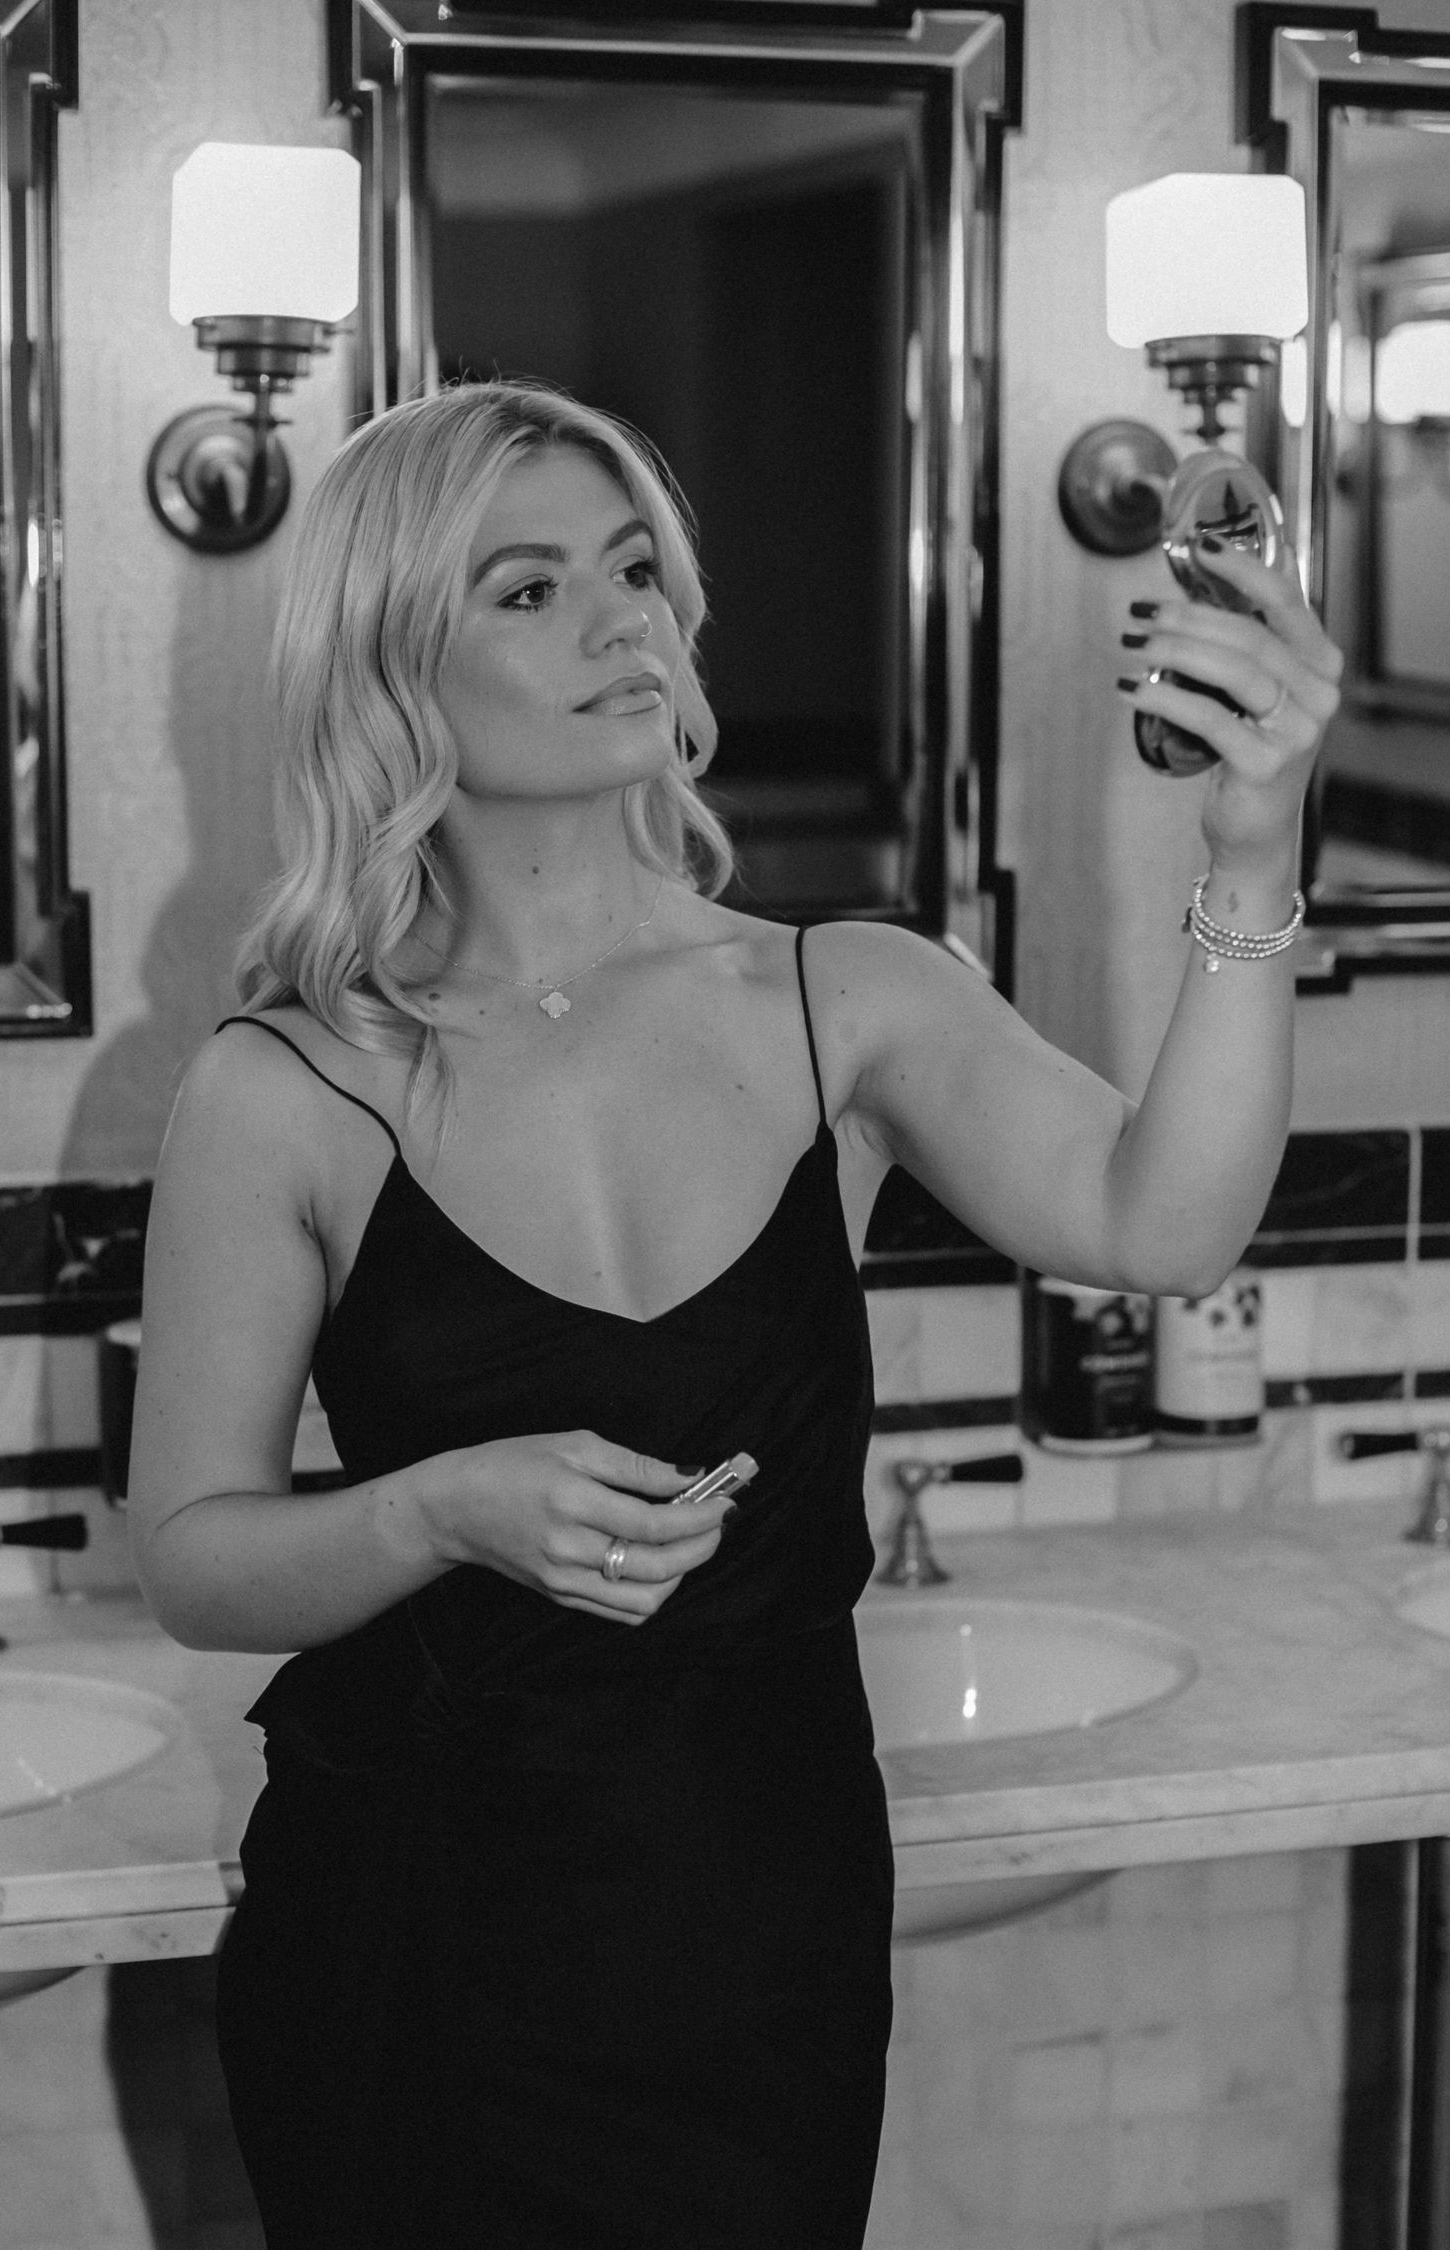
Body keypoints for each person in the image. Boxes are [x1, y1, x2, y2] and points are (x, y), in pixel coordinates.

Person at [127, 377, 1342, 2248]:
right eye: (527, 589)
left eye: (634, 569)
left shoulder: (846, 998)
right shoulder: (285, 1087)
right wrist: (437, 1510)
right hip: (413, 1943)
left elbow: (1164, 1225)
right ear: (390, 664)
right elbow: (195, 1559)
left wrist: (1251, 854)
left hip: (761, 1931)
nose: (620, 621)